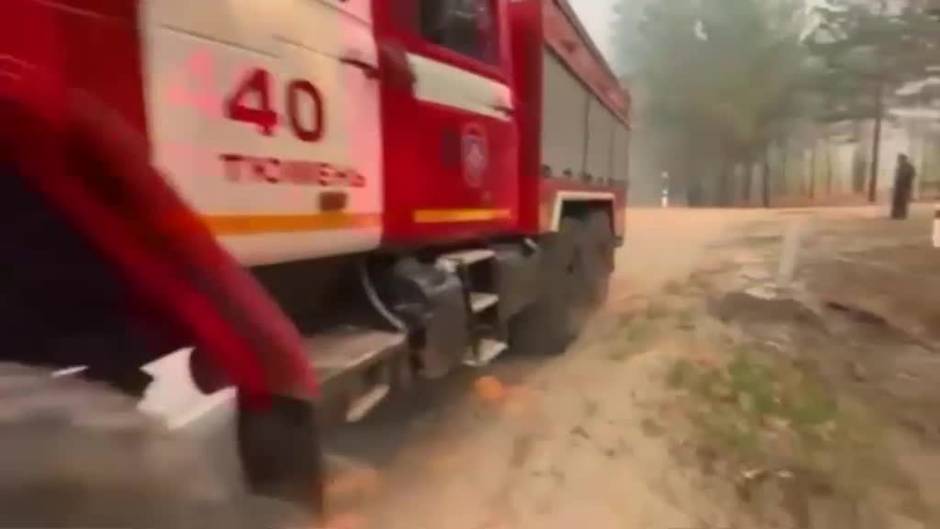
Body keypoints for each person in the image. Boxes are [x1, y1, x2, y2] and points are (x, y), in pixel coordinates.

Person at [892, 154, 917, 220]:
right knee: (896, 200)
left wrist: (907, 182)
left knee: (903, 200)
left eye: (900, 159)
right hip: (898, 186)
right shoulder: (900, 166)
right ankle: (895, 214)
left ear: (904, 159)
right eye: (898, 159)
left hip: (905, 186)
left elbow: (913, 175)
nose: (898, 160)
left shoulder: (909, 167)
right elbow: (897, 176)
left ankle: (903, 214)